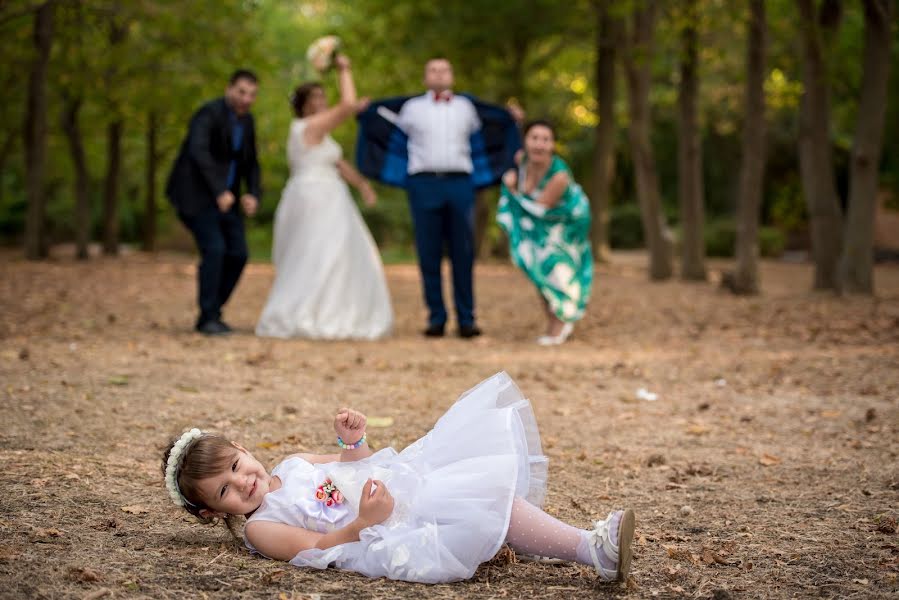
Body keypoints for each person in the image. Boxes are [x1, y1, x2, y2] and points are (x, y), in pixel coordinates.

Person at [161, 372, 635, 584]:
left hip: (394, 487)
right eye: (225, 489)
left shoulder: (294, 463)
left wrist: (351, 441)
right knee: (481, 501)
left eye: (236, 466)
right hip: (382, 529)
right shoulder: (262, 528)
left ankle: (587, 546)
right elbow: (316, 547)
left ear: (244, 450)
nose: (243, 482)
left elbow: (355, 464)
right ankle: (591, 550)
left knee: (482, 490)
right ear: (212, 512)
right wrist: (365, 521)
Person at [355, 58, 522, 339]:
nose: (439, 74)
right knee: (428, 252)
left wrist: (510, 118)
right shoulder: (411, 109)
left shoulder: (467, 108)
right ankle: (436, 317)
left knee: (463, 252)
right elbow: (385, 126)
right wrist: (365, 113)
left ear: (452, 76)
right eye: (433, 70)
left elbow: (493, 128)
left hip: (460, 182)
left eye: (444, 70)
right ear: (425, 78)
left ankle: (467, 319)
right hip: (423, 183)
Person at [255, 54, 393, 340]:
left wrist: (363, 186)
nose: (319, 102)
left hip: (331, 196)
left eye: (322, 96)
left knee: (339, 253)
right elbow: (348, 106)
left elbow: (340, 164)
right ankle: (306, 313)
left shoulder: (322, 136)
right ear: (303, 105)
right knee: (315, 253)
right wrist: (344, 69)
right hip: (314, 197)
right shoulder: (308, 127)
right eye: (313, 98)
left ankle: (336, 308)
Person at [166, 70, 262, 336]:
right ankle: (208, 317)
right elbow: (198, 152)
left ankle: (212, 310)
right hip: (197, 195)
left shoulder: (248, 122)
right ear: (229, 89)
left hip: (227, 199)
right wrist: (219, 190)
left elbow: (251, 162)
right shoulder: (208, 114)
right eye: (242, 92)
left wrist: (253, 193)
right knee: (215, 249)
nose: (246, 99)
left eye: (252, 94)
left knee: (239, 254)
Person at [497, 120, 593, 345]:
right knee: (538, 269)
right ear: (526, 142)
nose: (539, 144)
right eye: (534, 138)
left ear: (553, 145)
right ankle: (554, 321)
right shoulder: (521, 160)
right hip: (541, 225)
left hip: (568, 223)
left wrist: (511, 189)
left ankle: (562, 321)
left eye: (545, 140)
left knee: (557, 269)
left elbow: (538, 209)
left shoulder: (559, 176)